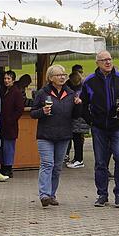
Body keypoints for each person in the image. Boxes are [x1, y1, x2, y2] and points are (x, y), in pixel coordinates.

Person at [79, 50, 119, 208]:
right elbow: (82, 104)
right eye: (104, 60)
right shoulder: (89, 81)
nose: (108, 62)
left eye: (109, 59)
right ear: (97, 63)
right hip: (99, 128)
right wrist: (92, 121)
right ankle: (102, 195)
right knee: (101, 162)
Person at [31, 65, 81, 207]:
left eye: (64, 75)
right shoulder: (42, 93)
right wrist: (42, 111)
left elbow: (76, 116)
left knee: (57, 167)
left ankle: (52, 195)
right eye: (59, 75)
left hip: (63, 135)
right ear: (51, 78)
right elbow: (33, 113)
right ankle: (44, 195)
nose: (62, 77)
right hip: (45, 135)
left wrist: (78, 105)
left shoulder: (70, 93)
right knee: (47, 164)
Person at [0, 70, 26, 177]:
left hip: (10, 125)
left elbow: (20, 109)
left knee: (9, 147)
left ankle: (8, 169)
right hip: (2, 125)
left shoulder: (16, 92)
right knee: (2, 147)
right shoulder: (5, 91)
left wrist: (11, 120)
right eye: (5, 78)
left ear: (13, 80)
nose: (6, 81)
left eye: (8, 79)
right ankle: (3, 167)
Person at [66, 64, 88, 169]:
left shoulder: (81, 89)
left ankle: (79, 159)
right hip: (79, 116)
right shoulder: (81, 87)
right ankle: (76, 158)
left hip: (79, 116)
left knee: (77, 139)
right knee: (76, 138)